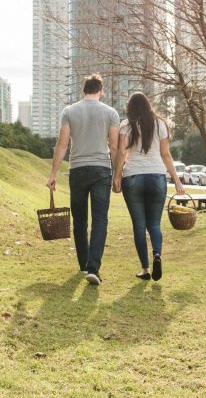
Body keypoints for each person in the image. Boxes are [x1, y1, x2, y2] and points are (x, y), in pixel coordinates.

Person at [47, 74, 120, 286]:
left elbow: (62, 145)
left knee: (79, 220)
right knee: (100, 219)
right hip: (101, 170)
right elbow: (114, 147)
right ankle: (93, 268)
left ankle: (83, 264)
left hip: (77, 169)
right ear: (101, 90)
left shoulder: (69, 111)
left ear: (83, 90)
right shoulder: (111, 113)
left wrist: (53, 174)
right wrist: (117, 175)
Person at [113, 92, 185, 282]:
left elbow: (122, 152)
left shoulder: (126, 125)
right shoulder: (160, 123)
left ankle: (145, 269)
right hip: (156, 177)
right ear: (148, 106)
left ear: (130, 108)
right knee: (154, 224)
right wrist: (177, 180)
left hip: (133, 177)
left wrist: (117, 176)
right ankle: (157, 255)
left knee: (139, 225)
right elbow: (166, 154)